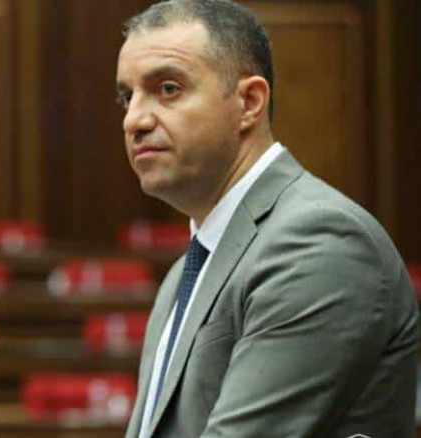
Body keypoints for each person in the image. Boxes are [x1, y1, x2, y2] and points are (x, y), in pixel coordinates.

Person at [115, 1, 419, 437]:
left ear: (249, 103)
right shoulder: (185, 272)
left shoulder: (318, 243)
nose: (135, 120)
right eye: (127, 97)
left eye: (167, 89)